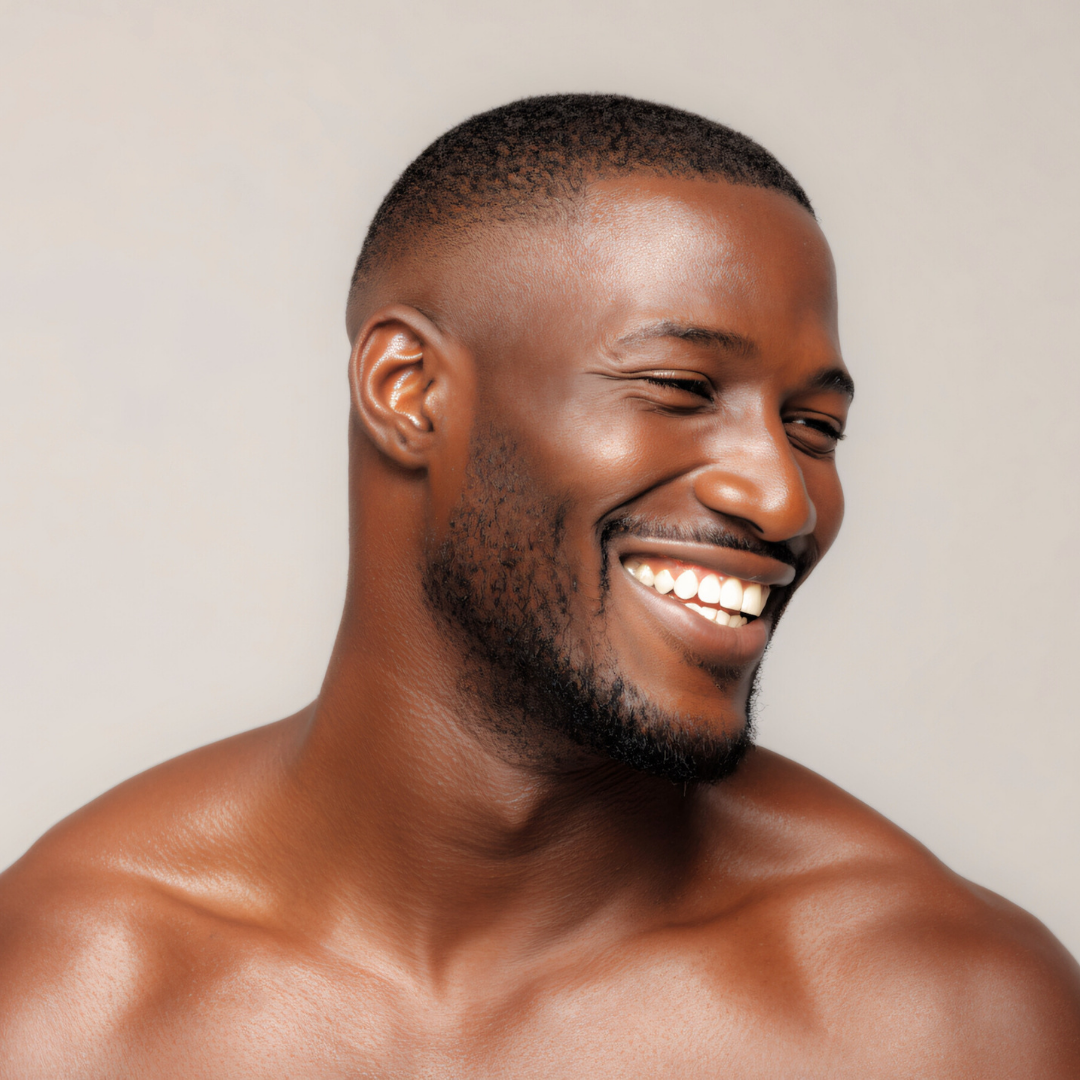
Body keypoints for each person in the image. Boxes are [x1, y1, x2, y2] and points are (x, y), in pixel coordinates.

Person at [1, 93, 1077, 1078]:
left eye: (815, 429)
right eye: (681, 388)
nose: (785, 500)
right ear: (409, 391)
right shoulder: (64, 1000)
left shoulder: (944, 1015)